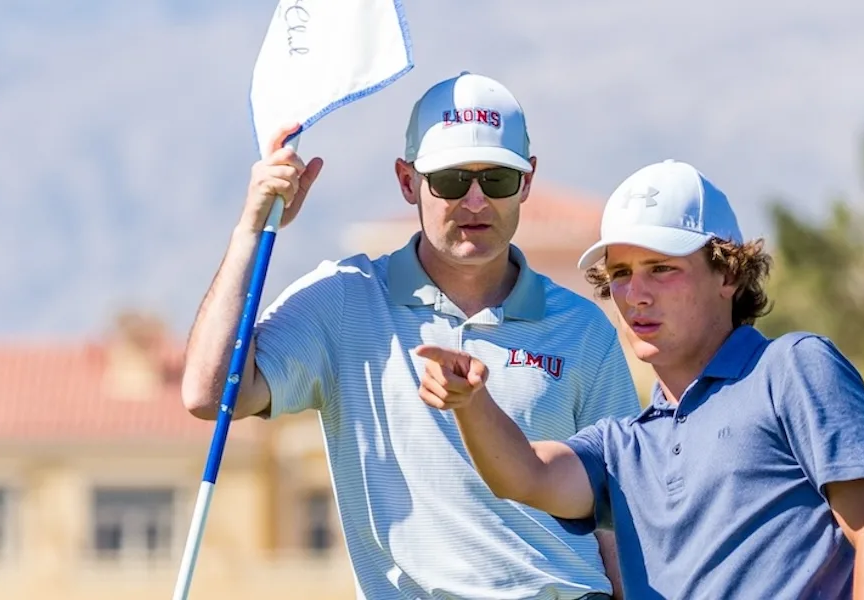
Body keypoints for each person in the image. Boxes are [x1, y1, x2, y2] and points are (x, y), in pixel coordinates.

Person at [180, 71, 642, 600]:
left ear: (527, 181)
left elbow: (620, 518)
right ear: (407, 181)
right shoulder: (343, 298)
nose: (474, 203)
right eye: (449, 181)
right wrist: (251, 230)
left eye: (496, 180)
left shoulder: (583, 329)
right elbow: (209, 393)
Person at [415, 159, 864, 599]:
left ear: (728, 275)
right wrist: (470, 402)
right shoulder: (623, 444)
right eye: (622, 273)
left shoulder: (793, 369)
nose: (636, 294)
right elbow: (523, 475)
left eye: (661, 269)